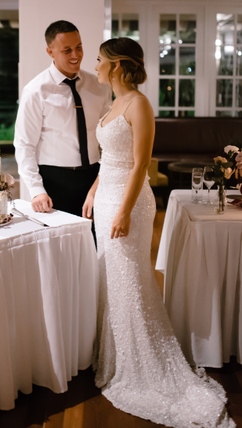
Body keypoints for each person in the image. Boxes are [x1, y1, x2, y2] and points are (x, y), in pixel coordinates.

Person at [82, 37, 234, 427]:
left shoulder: (139, 103)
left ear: (116, 65)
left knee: (130, 277)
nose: (94, 65)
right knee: (111, 278)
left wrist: (124, 211)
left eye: (99, 60)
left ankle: (142, 365)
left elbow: (139, 165)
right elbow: (109, 161)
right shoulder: (112, 103)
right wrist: (94, 190)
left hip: (129, 202)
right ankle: (115, 354)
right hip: (107, 198)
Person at [14, 20, 111, 216]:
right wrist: (36, 190)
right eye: (67, 50)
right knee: (61, 244)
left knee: (95, 242)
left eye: (79, 47)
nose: (75, 55)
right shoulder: (35, 91)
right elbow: (24, 145)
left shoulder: (99, 85)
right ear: (50, 52)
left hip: (95, 178)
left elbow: (108, 135)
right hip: (54, 181)